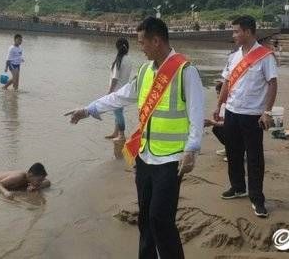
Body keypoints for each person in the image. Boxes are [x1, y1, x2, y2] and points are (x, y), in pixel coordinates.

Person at [65, 16, 204, 258]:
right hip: (145, 156)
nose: (140, 47)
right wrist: (88, 109)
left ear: (157, 40)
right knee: (145, 220)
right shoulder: (146, 71)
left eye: (142, 42)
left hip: (172, 160)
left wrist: (191, 149)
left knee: (160, 218)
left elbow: (196, 113)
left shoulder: (185, 70)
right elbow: (120, 96)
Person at [214, 16, 277, 218]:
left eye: (236, 31)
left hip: (253, 115)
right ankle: (238, 187)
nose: (233, 35)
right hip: (232, 111)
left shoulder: (265, 56)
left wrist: (267, 112)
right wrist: (219, 105)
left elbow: (273, 84)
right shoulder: (233, 57)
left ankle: (257, 198)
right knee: (233, 152)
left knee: (254, 157)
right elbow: (226, 82)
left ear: (248, 32)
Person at [104, 38, 133, 142]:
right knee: (118, 111)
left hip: (117, 91)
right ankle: (116, 132)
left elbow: (115, 78)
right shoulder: (129, 59)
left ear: (117, 47)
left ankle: (121, 135)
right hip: (125, 90)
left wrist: (110, 91)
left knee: (118, 113)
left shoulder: (119, 60)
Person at [205, 82, 227, 160]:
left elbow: (227, 124)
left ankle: (236, 150)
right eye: (217, 93)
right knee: (216, 129)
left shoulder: (231, 105)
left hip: (238, 131)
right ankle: (229, 148)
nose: (218, 96)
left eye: (219, 93)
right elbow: (221, 119)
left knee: (222, 129)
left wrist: (212, 122)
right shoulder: (222, 105)